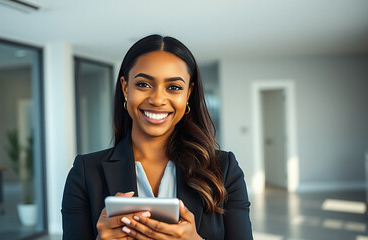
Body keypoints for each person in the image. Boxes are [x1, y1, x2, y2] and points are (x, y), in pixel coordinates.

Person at [62, 34, 253, 240]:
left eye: (174, 87)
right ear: (126, 87)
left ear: (188, 93)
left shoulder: (225, 170)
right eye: (144, 84)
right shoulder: (85, 173)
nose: (158, 99)